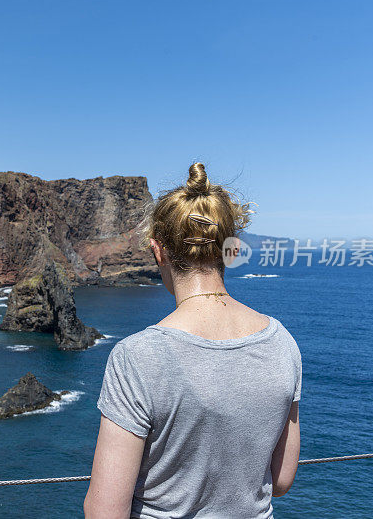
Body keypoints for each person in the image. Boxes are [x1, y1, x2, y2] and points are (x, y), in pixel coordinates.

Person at [84, 163, 301, 519]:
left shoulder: (137, 357)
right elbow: (280, 480)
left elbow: (104, 512)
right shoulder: (282, 343)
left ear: (159, 252)